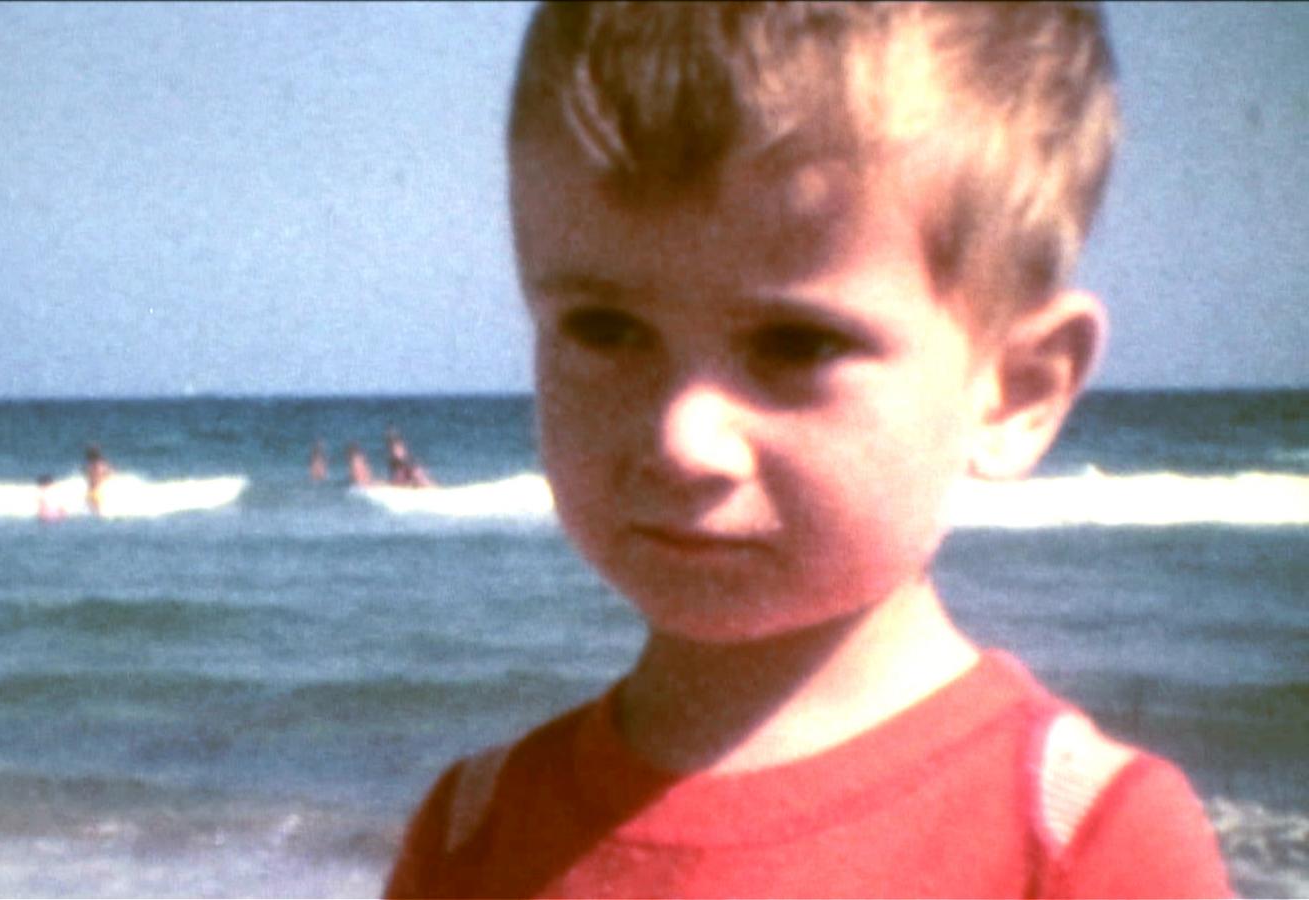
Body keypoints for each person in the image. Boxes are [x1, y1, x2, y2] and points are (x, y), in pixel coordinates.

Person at [386, 4, 1231, 898]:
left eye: (795, 344)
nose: (684, 440)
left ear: (1016, 392)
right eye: (605, 328)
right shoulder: (474, 833)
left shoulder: (1082, 844)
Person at [82, 443, 114, 515]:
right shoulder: (103, 465)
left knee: (94, 513)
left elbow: (86, 475)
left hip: (91, 493)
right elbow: (111, 474)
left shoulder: (89, 466)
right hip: (98, 493)